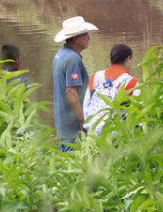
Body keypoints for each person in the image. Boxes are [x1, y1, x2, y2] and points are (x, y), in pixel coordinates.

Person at [52, 16, 97, 148]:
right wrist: (83, 119)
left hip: (63, 124)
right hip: (72, 127)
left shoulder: (61, 54)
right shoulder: (72, 59)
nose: (89, 37)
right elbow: (70, 92)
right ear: (76, 39)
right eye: (85, 35)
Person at [84, 43, 139, 136]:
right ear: (128, 59)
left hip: (92, 133)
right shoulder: (132, 82)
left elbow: (86, 106)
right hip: (116, 136)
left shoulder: (95, 77)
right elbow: (137, 114)